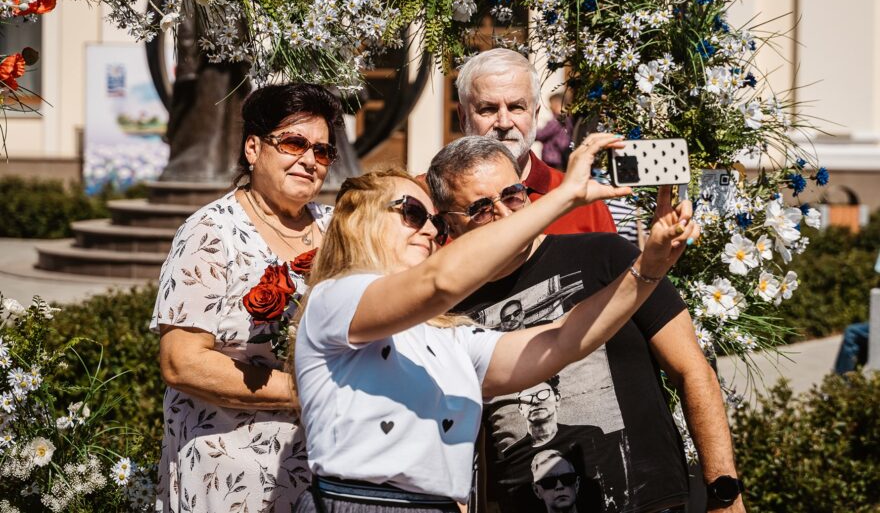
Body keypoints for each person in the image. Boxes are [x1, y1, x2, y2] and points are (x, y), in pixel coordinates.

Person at [292, 133, 699, 512]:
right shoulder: (337, 298)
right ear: (357, 221)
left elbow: (559, 341)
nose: (431, 229)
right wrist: (564, 197)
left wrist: (648, 269)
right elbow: (439, 281)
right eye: (413, 213)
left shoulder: (444, 329)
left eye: (434, 219)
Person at [427, 136, 745, 513]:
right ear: (449, 224)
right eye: (481, 208)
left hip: (651, 502)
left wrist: (725, 495)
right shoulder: (446, 312)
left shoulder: (609, 256)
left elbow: (693, 372)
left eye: (512, 195)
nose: (506, 215)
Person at [150, 83, 343, 512]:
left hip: (327, 468)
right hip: (230, 472)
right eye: (294, 143)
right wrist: (303, 390)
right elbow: (182, 362)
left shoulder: (337, 230)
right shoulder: (211, 232)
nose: (309, 160)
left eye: (323, 151)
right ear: (253, 148)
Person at [456, 48, 616, 235]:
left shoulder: (584, 204)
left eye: (516, 107)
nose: (504, 123)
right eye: (488, 109)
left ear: (535, 114)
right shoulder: (427, 204)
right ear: (463, 117)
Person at [535, 91, 572, 171]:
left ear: (557, 104)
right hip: (561, 157)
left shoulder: (557, 120)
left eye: (551, 104)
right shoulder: (568, 119)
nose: (550, 107)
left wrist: (529, 132)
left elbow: (542, 134)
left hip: (553, 158)